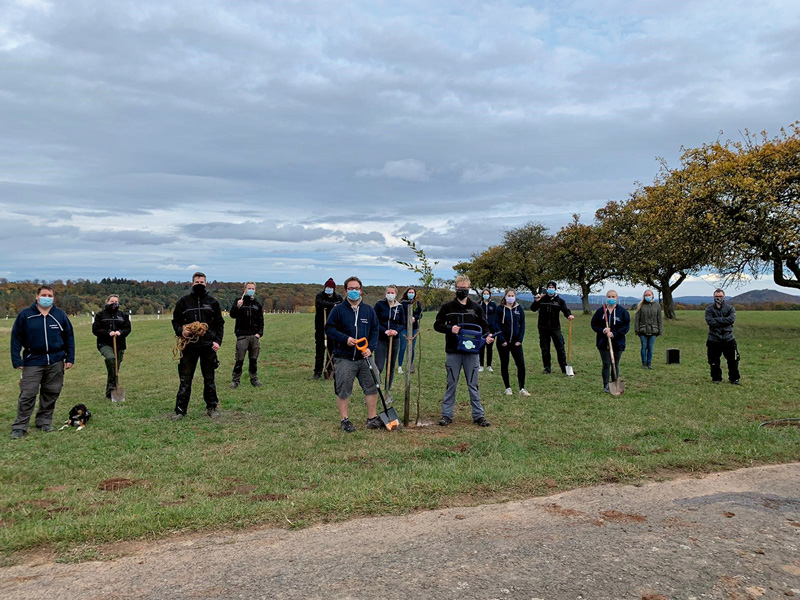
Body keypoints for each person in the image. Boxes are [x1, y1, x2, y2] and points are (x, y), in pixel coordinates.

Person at [10, 285, 75, 439]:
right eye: (44, 295)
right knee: (28, 394)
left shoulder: (59, 315)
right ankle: (20, 426)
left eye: (50, 295)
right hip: (33, 360)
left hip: (56, 360)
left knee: (51, 392)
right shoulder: (26, 315)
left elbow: (69, 337)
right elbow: (16, 338)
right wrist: (16, 359)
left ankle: (44, 421)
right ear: (37, 297)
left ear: (53, 298)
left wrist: (70, 357)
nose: (47, 298)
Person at [433, 275, 494, 427]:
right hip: (453, 351)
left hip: (472, 353)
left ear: (469, 289)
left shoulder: (476, 308)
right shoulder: (447, 307)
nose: (462, 291)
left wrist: (487, 337)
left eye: (465, 288)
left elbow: (485, 326)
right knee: (451, 383)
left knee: (473, 384)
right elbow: (437, 324)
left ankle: (478, 416)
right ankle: (447, 415)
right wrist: (449, 328)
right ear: (456, 288)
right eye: (460, 288)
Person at [325, 276, 381, 432]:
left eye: (356, 288)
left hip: (365, 357)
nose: (354, 291)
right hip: (345, 357)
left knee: (372, 387)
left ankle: (372, 418)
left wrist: (371, 348)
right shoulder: (338, 310)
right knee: (343, 389)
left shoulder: (368, 310)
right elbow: (329, 329)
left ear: (361, 290)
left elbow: (375, 330)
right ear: (345, 291)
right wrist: (345, 339)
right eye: (351, 289)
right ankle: (344, 419)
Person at [171, 272, 225, 419]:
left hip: (208, 346)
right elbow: (175, 322)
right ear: (192, 283)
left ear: (206, 283)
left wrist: (217, 342)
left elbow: (220, 324)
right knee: (185, 379)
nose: (199, 284)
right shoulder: (183, 302)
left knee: (209, 379)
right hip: (189, 347)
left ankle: (212, 407)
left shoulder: (212, 302)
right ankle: (180, 411)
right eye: (197, 281)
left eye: (202, 281)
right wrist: (182, 331)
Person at [92, 294, 132, 400]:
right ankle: (111, 387)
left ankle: (110, 393)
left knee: (115, 369)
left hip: (119, 345)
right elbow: (95, 330)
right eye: (112, 301)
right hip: (105, 344)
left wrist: (120, 332)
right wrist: (108, 332)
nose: (114, 304)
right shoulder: (101, 315)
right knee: (110, 359)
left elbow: (127, 329)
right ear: (107, 302)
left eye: (116, 302)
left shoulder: (123, 315)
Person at [590, 290, 630, 393]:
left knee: (615, 363)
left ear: (617, 298)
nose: (611, 299)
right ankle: (606, 385)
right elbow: (594, 324)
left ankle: (614, 383)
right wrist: (603, 330)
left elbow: (626, 327)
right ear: (606, 297)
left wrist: (614, 333)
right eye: (609, 296)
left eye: (613, 296)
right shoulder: (601, 311)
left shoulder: (622, 312)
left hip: (618, 342)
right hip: (603, 342)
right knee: (606, 363)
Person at [530, 281, 574, 374]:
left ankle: (564, 368)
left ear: (555, 289)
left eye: (552, 287)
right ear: (547, 289)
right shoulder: (542, 299)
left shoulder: (559, 300)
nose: (550, 289)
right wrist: (536, 301)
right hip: (543, 328)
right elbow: (533, 309)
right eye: (549, 287)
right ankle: (547, 368)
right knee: (545, 349)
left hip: (555, 328)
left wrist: (569, 315)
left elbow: (565, 310)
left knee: (560, 348)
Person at [495, 289, 530, 397]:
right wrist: (501, 339)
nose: (510, 297)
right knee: (505, 364)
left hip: (516, 342)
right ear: (505, 297)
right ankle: (508, 388)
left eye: (512, 295)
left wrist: (520, 340)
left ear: (515, 296)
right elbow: (496, 324)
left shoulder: (519, 309)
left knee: (521, 365)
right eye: (508, 295)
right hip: (503, 342)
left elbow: (522, 325)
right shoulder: (500, 309)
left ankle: (522, 388)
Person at [229, 282, 264, 389]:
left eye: (253, 288)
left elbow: (261, 320)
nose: (251, 290)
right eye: (249, 288)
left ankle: (254, 379)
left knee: (253, 360)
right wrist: (237, 307)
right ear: (244, 289)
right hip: (242, 336)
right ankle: (235, 380)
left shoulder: (257, 304)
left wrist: (259, 333)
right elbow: (232, 315)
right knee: (239, 359)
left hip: (254, 336)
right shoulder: (239, 301)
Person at [373, 284, 406, 390]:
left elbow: (403, 323)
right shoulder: (379, 305)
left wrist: (396, 331)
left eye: (392, 293)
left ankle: (388, 389)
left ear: (396, 294)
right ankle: (374, 390)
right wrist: (385, 331)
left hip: (394, 340)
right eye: (388, 292)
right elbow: (375, 321)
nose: (390, 294)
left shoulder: (399, 307)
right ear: (385, 293)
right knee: (379, 366)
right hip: (381, 339)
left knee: (390, 366)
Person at [705, 289, 740, 385]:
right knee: (713, 361)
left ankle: (734, 379)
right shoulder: (709, 309)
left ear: (724, 297)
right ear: (713, 297)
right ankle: (716, 378)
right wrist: (724, 321)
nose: (718, 298)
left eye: (720, 296)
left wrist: (717, 321)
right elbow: (709, 321)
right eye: (716, 296)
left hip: (728, 338)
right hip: (713, 339)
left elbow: (731, 320)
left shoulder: (730, 308)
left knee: (732, 361)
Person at [312, 278, 342, 380]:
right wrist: (332, 305)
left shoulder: (338, 297)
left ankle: (330, 370)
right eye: (327, 287)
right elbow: (320, 303)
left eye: (331, 287)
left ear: (334, 288)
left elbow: (341, 306)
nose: (329, 289)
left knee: (332, 350)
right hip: (321, 328)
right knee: (320, 351)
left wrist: (333, 305)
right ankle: (317, 372)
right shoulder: (320, 296)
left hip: (333, 328)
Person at [634, 289, 662, 369]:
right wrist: (637, 330)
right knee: (644, 346)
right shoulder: (641, 305)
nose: (647, 296)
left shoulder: (657, 306)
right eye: (646, 295)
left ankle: (649, 363)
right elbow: (637, 319)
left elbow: (659, 319)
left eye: (649, 295)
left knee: (650, 347)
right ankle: (644, 363)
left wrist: (660, 330)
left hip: (654, 330)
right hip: (643, 330)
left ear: (652, 295)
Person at [397, 287, 422, 375]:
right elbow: (399, 314)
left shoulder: (417, 303)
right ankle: (399, 366)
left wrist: (415, 318)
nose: (411, 294)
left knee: (411, 348)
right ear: (406, 293)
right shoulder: (401, 303)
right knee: (403, 347)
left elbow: (420, 314)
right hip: (404, 328)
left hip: (414, 328)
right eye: (409, 292)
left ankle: (410, 365)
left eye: (412, 292)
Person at [478, 288, 496, 373]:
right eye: (484, 293)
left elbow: (496, 317)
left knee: (489, 348)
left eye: (487, 293)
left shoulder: (493, 305)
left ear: (489, 294)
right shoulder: (479, 304)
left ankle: (489, 365)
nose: (486, 295)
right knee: (481, 347)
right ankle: (481, 365)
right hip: (481, 329)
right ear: (482, 295)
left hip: (491, 329)